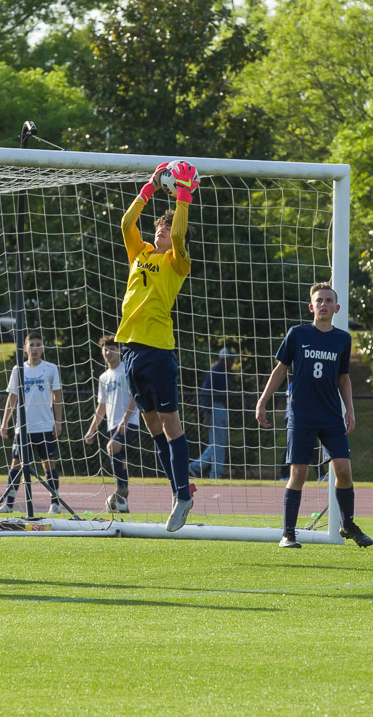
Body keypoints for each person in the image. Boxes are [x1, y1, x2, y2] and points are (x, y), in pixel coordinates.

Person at [116, 161, 200, 532]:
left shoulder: (177, 261)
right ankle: (179, 490)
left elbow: (181, 237)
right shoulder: (140, 254)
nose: (164, 231)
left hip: (158, 351)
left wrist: (184, 197)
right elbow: (125, 223)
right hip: (130, 350)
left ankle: (182, 495)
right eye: (161, 227)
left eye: (168, 228)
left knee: (170, 423)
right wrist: (150, 187)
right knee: (152, 428)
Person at [255, 283, 371, 550]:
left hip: (331, 414)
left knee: (343, 469)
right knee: (299, 473)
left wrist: (349, 409)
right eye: (319, 300)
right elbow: (280, 370)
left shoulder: (343, 339)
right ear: (311, 306)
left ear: (336, 308)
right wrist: (262, 401)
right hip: (302, 414)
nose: (324, 304)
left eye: (329, 300)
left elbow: (344, 378)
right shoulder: (297, 334)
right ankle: (288, 533)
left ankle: (348, 524)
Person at [0, 330, 64, 514]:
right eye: (31, 345)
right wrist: (5, 423)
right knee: (16, 464)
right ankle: (9, 504)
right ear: (25, 347)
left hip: (45, 425)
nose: (34, 348)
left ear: (42, 348)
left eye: (38, 345)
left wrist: (58, 422)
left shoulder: (50, 368)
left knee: (48, 463)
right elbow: (12, 398)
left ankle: (55, 503)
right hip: (23, 428)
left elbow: (57, 396)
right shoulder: (18, 369)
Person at [84, 335, 139, 513]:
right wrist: (91, 430)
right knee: (119, 457)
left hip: (129, 421)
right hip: (111, 424)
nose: (109, 352)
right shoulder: (103, 377)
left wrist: (125, 420)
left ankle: (120, 489)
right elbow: (101, 407)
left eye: (112, 348)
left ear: (119, 350)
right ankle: (123, 502)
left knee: (112, 447)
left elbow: (134, 397)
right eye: (105, 349)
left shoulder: (126, 370)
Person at [190, 347, 236, 479]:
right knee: (217, 443)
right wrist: (206, 414)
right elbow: (206, 392)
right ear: (224, 359)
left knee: (218, 443)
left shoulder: (224, 372)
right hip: (215, 408)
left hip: (220, 407)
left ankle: (196, 467)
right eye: (231, 359)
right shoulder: (215, 371)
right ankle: (214, 473)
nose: (233, 362)